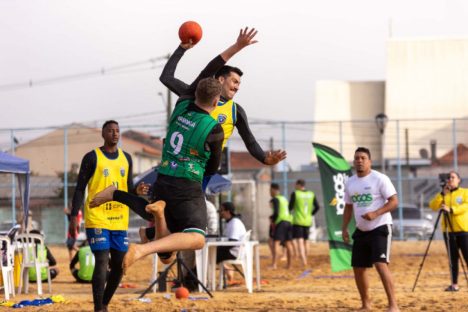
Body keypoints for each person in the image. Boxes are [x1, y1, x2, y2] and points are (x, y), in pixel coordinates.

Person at [121, 77, 224, 271]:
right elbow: (212, 167)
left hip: (164, 178)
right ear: (216, 102)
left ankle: (155, 221)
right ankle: (141, 249)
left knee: (167, 255)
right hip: (187, 183)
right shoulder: (214, 128)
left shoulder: (181, 106)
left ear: (195, 94)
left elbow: (169, 76)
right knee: (197, 239)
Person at [160, 27, 286, 166]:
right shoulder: (197, 94)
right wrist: (181, 49)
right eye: (234, 81)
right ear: (220, 79)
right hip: (175, 162)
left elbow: (249, 140)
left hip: (202, 168)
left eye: (239, 84)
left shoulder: (235, 111)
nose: (237, 87)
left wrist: (264, 158)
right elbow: (167, 78)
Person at [68, 120, 148, 312]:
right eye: (110, 131)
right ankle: (98, 308)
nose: (114, 133)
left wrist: (136, 191)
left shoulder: (126, 158)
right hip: (97, 217)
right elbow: (80, 188)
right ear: (103, 134)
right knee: (102, 261)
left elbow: (126, 188)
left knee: (120, 266)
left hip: (119, 219)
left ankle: (104, 303)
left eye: (117, 131)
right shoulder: (91, 157)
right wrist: (73, 215)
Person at [342, 147, 399, 312]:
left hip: (380, 226)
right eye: (356, 158)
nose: (359, 161)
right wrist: (344, 228)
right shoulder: (350, 182)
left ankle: (393, 305)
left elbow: (394, 201)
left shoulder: (380, 178)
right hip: (361, 229)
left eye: (363, 158)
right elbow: (348, 207)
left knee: (380, 264)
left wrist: (375, 213)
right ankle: (366, 305)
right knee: (358, 268)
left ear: (369, 161)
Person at [429, 170, 468, 292]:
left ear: (458, 180)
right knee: (452, 259)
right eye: (448, 178)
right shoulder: (444, 194)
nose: (450, 179)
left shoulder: (465, 192)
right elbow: (433, 206)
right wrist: (442, 194)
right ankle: (454, 284)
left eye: (453, 177)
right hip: (448, 231)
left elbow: (465, 206)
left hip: (463, 230)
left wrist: (451, 209)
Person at [289, 179, 320, 267]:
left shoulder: (295, 194)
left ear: (299, 185)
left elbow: (290, 207)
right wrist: (311, 214)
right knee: (306, 241)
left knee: (300, 241)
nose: (294, 186)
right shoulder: (311, 194)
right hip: (307, 221)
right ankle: (305, 258)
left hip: (298, 220)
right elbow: (317, 207)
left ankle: (303, 261)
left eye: (295, 184)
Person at [216, 202, 247, 284]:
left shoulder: (235, 222)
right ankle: (227, 269)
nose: (220, 212)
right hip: (233, 251)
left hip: (234, 252)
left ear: (228, 212)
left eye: (221, 210)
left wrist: (218, 248)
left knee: (210, 255)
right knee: (212, 253)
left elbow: (232, 242)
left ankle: (203, 281)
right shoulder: (230, 222)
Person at [269, 183, 294, 269]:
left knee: (276, 243)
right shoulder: (284, 199)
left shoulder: (275, 199)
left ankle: (274, 264)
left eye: (270, 190)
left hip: (281, 222)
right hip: (289, 221)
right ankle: (289, 265)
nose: (270, 192)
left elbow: (276, 212)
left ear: (273, 190)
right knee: (288, 243)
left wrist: (272, 219)